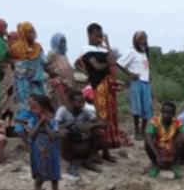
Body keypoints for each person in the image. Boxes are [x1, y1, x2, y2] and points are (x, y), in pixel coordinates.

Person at [75, 23, 124, 162]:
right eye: (97, 36)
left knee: (111, 118)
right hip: (99, 87)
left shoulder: (102, 49)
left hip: (109, 87)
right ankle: (96, 150)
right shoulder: (86, 50)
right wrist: (109, 62)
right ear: (90, 35)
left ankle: (107, 151)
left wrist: (107, 47)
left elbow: (112, 62)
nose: (99, 38)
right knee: (101, 118)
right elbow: (97, 66)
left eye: (101, 36)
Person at [20, 94, 60, 190]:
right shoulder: (32, 120)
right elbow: (31, 135)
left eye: (35, 107)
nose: (33, 110)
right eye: (32, 108)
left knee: (54, 178)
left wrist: (46, 123)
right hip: (38, 153)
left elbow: (53, 136)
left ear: (44, 107)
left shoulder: (53, 120)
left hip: (51, 153)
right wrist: (39, 123)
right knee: (38, 180)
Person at [145, 101, 184, 179]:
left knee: (182, 138)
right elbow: (148, 136)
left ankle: (174, 163)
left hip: (171, 147)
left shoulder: (177, 122)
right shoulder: (154, 121)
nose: (166, 115)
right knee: (147, 141)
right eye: (164, 112)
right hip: (157, 148)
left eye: (169, 113)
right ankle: (155, 163)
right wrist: (157, 156)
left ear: (174, 114)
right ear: (161, 112)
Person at [55, 89, 104, 176]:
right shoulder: (62, 110)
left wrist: (90, 126)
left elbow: (103, 123)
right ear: (71, 102)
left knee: (99, 132)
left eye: (83, 102)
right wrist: (69, 125)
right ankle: (72, 162)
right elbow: (55, 126)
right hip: (69, 139)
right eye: (79, 102)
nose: (82, 104)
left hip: (82, 137)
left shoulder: (85, 111)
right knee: (62, 134)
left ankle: (87, 160)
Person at [9, 22, 46, 133]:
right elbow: (12, 64)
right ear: (22, 33)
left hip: (36, 82)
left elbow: (43, 62)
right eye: (29, 32)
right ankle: (22, 130)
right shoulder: (15, 48)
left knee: (38, 104)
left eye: (33, 32)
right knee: (23, 105)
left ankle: (38, 128)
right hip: (22, 83)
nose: (32, 35)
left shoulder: (38, 47)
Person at [117, 31, 152, 139]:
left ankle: (143, 131)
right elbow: (119, 63)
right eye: (140, 38)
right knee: (136, 108)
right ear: (135, 40)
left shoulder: (144, 52)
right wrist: (130, 74)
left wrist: (149, 75)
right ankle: (137, 132)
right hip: (137, 82)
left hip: (145, 82)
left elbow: (144, 66)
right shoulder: (131, 51)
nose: (143, 41)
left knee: (147, 108)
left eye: (144, 38)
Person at [45, 33, 76, 109]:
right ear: (56, 42)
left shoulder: (64, 54)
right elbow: (45, 64)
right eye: (61, 42)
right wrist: (52, 73)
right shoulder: (52, 53)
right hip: (59, 81)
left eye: (64, 42)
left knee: (68, 98)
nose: (63, 44)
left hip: (68, 82)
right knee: (60, 100)